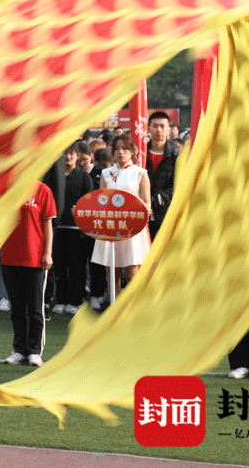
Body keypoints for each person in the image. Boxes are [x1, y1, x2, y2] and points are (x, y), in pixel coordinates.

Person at [0, 180, 57, 366]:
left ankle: (34, 350)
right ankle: (19, 349)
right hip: (10, 256)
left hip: (35, 257)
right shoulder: (7, 187)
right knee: (17, 308)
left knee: (35, 308)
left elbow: (48, 224)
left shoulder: (43, 190)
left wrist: (48, 252)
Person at [90, 134, 151, 297]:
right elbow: (100, 200)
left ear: (132, 151)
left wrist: (136, 212)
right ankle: (114, 312)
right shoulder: (106, 173)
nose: (120, 152)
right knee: (112, 274)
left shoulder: (140, 173)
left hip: (133, 229)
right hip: (110, 228)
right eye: (117, 149)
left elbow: (147, 204)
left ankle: (135, 309)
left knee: (132, 273)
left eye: (124, 148)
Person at [52, 141, 94, 315]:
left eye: (72, 153)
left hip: (78, 230)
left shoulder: (84, 176)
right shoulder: (54, 175)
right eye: (64, 153)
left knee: (77, 267)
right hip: (58, 228)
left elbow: (90, 200)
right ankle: (60, 300)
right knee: (59, 267)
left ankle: (76, 301)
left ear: (77, 156)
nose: (68, 157)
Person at [143, 111, 178, 243]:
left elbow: (177, 186)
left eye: (163, 126)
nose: (159, 130)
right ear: (148, 128)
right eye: (155, 126)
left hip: (165, 213)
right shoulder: (140, 153)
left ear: (169, 129)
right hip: (141, 212)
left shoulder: (176, 156)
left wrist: (156, 199)